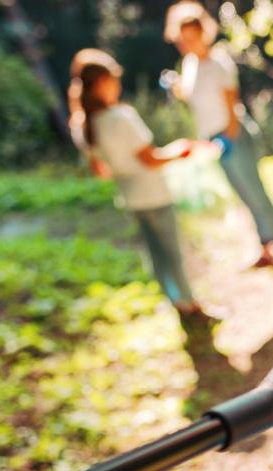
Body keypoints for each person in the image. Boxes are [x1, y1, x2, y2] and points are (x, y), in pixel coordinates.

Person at [68, 49, 204, 316]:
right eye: (113, 79)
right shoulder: (121, 117)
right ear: (101, 83)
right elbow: (150, 159)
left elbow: (101, 171)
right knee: (173, 253)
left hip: (130, 198)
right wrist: (180, 150)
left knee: (156, 255)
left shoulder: (82, 125)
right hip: (154, 194)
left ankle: (175, 301)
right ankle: (191, 304)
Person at [163, 1, 273, 272]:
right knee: (242, 194)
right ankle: (265, 246)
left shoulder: (218, 62)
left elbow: (231, 105)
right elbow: (192, 97)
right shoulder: (189, 65)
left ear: (202, 33)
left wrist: (228, 139)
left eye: (191, 37)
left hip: (232, 136)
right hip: (213, 141)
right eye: (182, 39)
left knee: (255, 190)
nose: (186, 43)